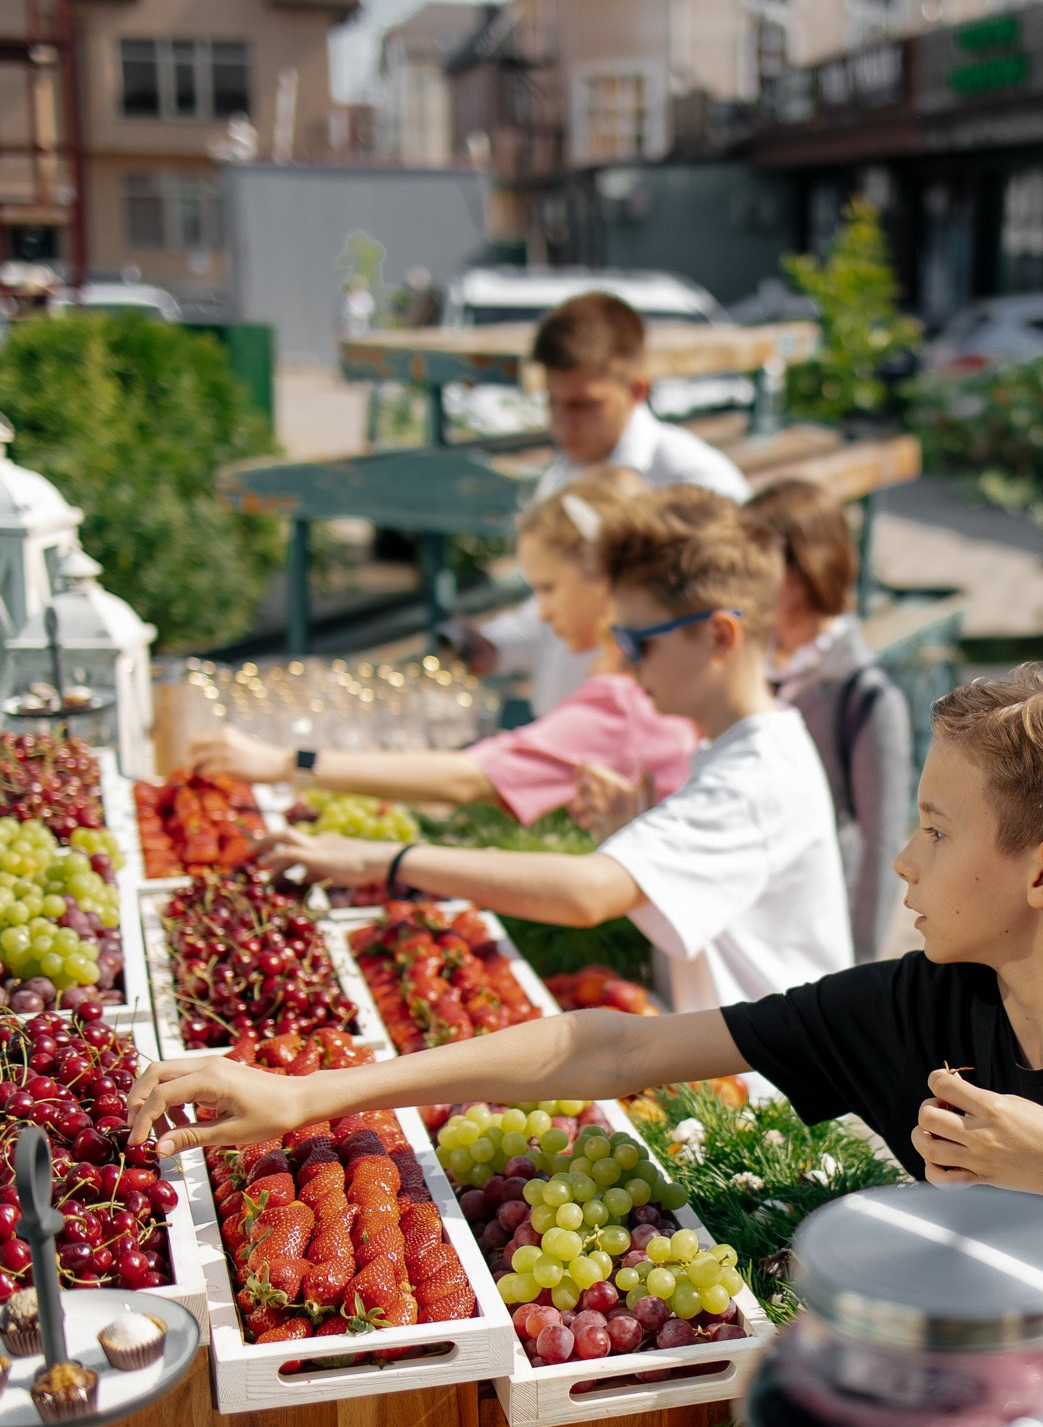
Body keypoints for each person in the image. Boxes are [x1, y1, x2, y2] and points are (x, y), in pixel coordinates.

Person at [134, 657, 1043, 1427]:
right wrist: (310, 1094)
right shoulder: (921, 1005)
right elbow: (606, 1053)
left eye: (936, 831)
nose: (900, 862)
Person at [261, 485, 849, 1013]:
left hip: (774, 1102)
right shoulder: (736, 748)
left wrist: (383, 859)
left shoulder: (755, 774)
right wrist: (637, 834)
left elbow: (586, 893)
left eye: (636, 641)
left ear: (720, 635)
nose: (622, 659)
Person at [189, 469, 698, 823]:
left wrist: (287, 761)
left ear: (603, 581)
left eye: (548, 589)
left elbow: (469, 777)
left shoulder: (626, 700)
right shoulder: (643, 683)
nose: (541, 612)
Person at [476, 292, 753, 715]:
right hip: (570, 734)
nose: (564, 423)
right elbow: (560, 603)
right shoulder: (561, 476)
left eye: (584, 404)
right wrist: (496, 645)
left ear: (638, 388)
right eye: (553, 403)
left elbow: (729, 633)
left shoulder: (698, 485)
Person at [746, 480, 913, 964]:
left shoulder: (866, 696)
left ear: (806, 566)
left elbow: (883, 844)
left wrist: (857, 967)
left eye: (760, 562)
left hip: (818, 930)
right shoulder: (750, 659)